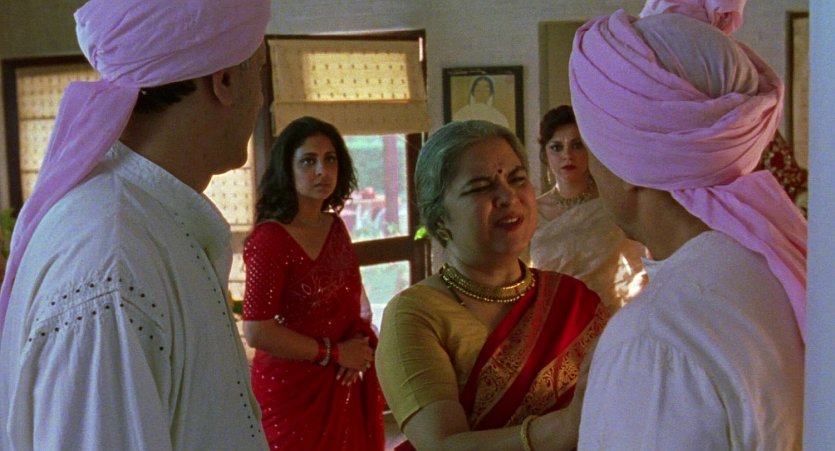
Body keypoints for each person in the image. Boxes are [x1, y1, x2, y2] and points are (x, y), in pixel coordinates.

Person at [0, 1, 271, 449]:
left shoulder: (142, 224)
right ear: (223, 80)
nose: (261, 99)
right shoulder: (112, 264)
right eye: (259, 73)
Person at [569, 1, 806, 449]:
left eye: (588, 144)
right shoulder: (783, 266)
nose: (588, 168)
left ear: (627, 164)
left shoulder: (654, 342)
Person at [376, 120, 609, 451]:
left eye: (517, 179)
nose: (508, 196)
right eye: (480, 187)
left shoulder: (574, 300)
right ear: (440, 218)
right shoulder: (414, 315)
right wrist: (563, 428)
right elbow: (443, 444)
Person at [242, 116, 385, 450]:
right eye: (308, 161)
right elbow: (257, 331)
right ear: (287, 169)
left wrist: (357, 345)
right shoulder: (269, 240)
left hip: (340, 381)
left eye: (330, 159)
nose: (322, 171)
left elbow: (351, 305)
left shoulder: (335, 228)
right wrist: (335, 353)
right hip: (290, 390)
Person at [530, 105, 647, 312]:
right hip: (554, 320)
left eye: (577, 145)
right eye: (557, 147)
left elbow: (638, 268)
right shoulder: (531, 211)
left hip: (612, 318)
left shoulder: (614, 203)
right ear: (545, 154)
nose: (567, 155)